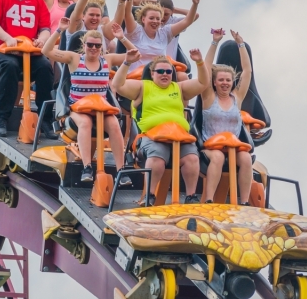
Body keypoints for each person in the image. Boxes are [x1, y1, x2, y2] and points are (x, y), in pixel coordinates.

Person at [42, 18, 140, 184]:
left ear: (102, 47)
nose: (93, 49)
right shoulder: (74, 58)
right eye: (90, 45)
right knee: (85, 123)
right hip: (78, 108)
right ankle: (87, 167)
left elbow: (136, 55)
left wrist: (122, 38)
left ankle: (121, 170)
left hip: (101, 108)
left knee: (115, 125)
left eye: (97, 46)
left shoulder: (106, 60)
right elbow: (46, 51)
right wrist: (59, 30)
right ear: (84, 44)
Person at [111, 50, 210, 205]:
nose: (165, 74)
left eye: (169, 72)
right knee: (158, 156)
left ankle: (191, 197)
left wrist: (200, 62)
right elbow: (118, 85)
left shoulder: (179, 88)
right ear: (152, 73)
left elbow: (203, 83)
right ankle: (150, 195)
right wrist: (126, 63)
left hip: (180, 137)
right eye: (161, 71)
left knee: (192, 158)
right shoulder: (142, 87)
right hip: (151, 137)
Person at [0, 0, 55, 138]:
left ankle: (46, 120)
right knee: (10, 67)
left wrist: (41, 40)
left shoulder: (37, 2)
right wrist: (8, 38)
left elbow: (46, 28)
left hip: (30, 53)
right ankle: (1, 117)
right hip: (5, 52)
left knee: (45, 67)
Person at [200, 29, 254, 204]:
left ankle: (244, 202)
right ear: (214, 82)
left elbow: (247, 71)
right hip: (211, 145)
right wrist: (215, 42)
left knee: (246, 158)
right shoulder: (209, 97)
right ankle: (209, 200)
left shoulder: (236, 98)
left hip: (234, 146)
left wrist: (241, 44)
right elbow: (206, 69)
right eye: (221, 80)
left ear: (232, 82)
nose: (225, 83)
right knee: (218, 157)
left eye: (228, 80)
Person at [110, 0, 200, 77]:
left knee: (183, 77)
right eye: (151, 18)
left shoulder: (165, 33)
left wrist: (194, 4)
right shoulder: (136, 31)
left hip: (159, 75)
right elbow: (128, 14)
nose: (155, 21)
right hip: (137, 77)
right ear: (143, 19)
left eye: (158, 18)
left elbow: (187, 21)